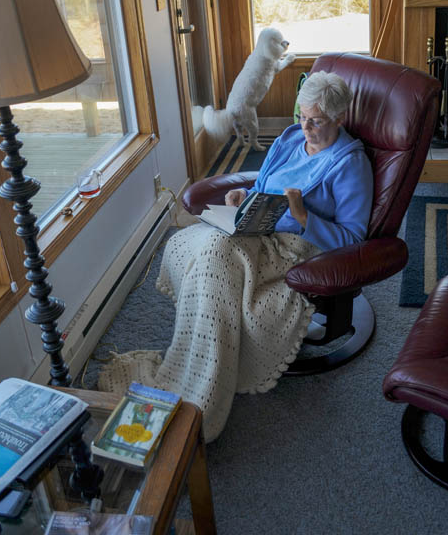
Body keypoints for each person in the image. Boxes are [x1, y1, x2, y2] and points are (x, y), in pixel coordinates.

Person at [99, 71, 373, 442]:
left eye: (317, 122)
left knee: (214, 253)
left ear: (339, 119)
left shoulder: (350, 164)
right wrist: (244, 198)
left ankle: (200, 398)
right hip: (256, 227)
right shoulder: (291, 138)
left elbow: (354, 237)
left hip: (295, 246)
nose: (306, 128)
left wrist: (304, 216)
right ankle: (197, 359)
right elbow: (264, 185)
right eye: (302, 117)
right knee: (183, 246)